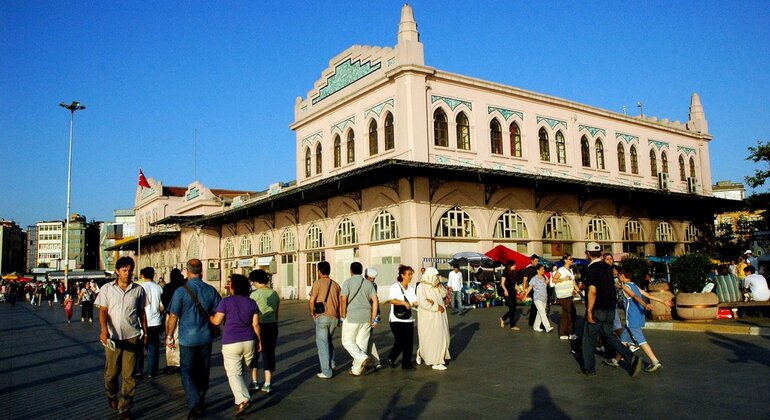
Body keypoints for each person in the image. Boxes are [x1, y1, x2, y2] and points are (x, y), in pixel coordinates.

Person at [166, 259, 222, 419]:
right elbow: (220, 312)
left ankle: (194, 402)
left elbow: (173, 316)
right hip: (205, 338)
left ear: (187, 270)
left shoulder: (181, 292)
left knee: (187, 372)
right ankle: (200, 398)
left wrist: (169, 336)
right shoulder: (210, 290)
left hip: (186, 339)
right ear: (202, 270)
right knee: (203, 371)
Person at [94, 256, 148, 419]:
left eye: (130, 270)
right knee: (111, 374)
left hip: (132, 336)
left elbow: (141, 312)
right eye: (124, 270)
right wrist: (104, 330)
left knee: (129, 375)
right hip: (113, 337)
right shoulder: (107, 289)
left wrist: (145, 332)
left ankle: (125, 407)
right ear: (117, 271)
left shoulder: (138, 290)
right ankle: (111, 394)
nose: (127, 273)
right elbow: (103, 311)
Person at [579, 242, 642, 377]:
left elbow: (592, 291)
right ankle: (631, 357)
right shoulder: (608, 267)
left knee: (588, 339)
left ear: (588, 254)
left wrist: (589, 310)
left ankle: (589, 369)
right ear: (601, 253)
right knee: (610, 336)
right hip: (610, 308)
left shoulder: (590, 269)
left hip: (597, 308)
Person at [604, 268, 673, 373]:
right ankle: (616, 360)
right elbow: (648, 295)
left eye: (619, 275)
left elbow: (635, 296)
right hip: (638, 316)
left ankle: (655, 362)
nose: (618, 277)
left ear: (623, 276)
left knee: (641, 341)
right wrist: (663, 302)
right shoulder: (634, 285)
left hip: (632, 318)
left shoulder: (626, 287)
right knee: (624, 340)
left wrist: (645, 305)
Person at [210, 274, 261, 417]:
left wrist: (209, 316)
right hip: (249, 340)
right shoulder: (252, 303)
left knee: (233, 373)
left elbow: (216, 321)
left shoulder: (226, 302)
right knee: (244, 370)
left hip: (231, 341)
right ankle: (240, 400)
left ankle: (243, 398)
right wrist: (259, 341)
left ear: (233, 287)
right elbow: (256, 324)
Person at [340, 262, 379, 376]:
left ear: (351, 271)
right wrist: (373, 316)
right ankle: (356, 370)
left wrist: (343, 313)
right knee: (361, 344)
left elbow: (343, 299)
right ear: (362, 271)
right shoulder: (369, 284)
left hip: (352, 316)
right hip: (366, 316)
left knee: (347, 341)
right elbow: (375, 300)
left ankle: (362, 357)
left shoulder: (347, 282)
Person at [249, 269, 280, 393]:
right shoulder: (274, 293)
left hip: (258, 325)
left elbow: (251, 313)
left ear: (256, 281)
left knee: (254, 354)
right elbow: (277, 312)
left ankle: (254, 382)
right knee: (269, 353)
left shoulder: (254, 295)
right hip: (272, 325)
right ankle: (267, 383)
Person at [308, 261, 341, 379]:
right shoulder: (336, 285)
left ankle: (326, 372)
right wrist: (340, 317)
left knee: (322, 345)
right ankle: (331, 363)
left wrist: (312, 312)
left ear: (319, 271)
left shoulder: (317, 283)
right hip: (334, 318)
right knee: (329, 341)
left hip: (322, 317)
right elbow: (341, 303)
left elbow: (312, 300)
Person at [416, 267, 451, 370]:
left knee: (443, 337)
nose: (436, 277)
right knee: (432, 338)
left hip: (440, 316)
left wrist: (440, 285)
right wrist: (436, 307)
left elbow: (444, 294)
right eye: (435, 276)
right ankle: (436, 362)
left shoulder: (435, 285)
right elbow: (422, 302)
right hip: (429, 317)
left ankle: (422, 353)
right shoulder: (421, 286)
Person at [134, 267, 164, 378]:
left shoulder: (138, 287)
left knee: (139, 347)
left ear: (142, 275)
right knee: (153, 347)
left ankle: (138, 370)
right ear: (153, 275)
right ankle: (152, 371)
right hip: (155, 321)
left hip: (140, 322)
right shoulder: (158, 287)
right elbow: (162, 306)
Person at [388, 265, 418, 369]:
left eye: (411, 274)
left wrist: (423, 302)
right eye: (409, 274)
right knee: (400, 341)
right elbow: (391, 300)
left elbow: (415, 301)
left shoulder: (411, 288)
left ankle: (407, 363)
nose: (411, 276)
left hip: (408, 319)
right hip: (396, 319)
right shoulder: (395, 286)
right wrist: (403, 303)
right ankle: (392, 357)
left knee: (409, 342)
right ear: (402, 275)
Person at [162, 268, 185, 374]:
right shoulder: (184, 286)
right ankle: (180, 362)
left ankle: (171, 363)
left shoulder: (167, 287)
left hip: (170, 315)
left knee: (170, 338)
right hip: (183, 315)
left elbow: (164, 301)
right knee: (180, 339)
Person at [553, 254, 579, 340]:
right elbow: (554, 280)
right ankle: (570, 332)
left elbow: (573, 281)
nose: (572, 260)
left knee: (565, 314)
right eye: (570, 259)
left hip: (569, 294)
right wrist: (564, 279)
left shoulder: (570, 270)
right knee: (571, 313)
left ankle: (563, 332)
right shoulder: (561, 270)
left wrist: (577, 289)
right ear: (565, 260)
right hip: (563, 295)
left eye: (572, 259)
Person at [523, 264, 554, 333]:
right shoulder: (534, 279)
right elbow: (530, 287)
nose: (543, 271)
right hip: (537, 298)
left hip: (544, 298)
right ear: (538, 270)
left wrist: (547, 282)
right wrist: (525, 295)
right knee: (543, 313)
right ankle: (548, 327)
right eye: (542, 269)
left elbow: (546, 284)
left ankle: (536, 326)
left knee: (539, 313)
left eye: (544, 269)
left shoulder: (544, 277)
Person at [363, 267, 383, 369]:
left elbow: (375, 301)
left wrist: (376, 317)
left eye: (373, 279)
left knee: (365, 339)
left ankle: (364, 361)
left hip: (367, 315)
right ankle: (375, 361)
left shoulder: (370, 285)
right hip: (369, 314)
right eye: (371, 278)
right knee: (368, 339)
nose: (373, 281)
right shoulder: (373, 285)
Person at [499, 261, 520, 330]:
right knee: (511, 308)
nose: (515, 266)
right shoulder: (505, 273)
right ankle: (512, 325)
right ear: (510, 266)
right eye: (514, 265)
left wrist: (519, 289)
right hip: (507, 292)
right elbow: (502, 283)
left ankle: (503, 318)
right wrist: (505, 290)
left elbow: (515, 285)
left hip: (513, 292)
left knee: (513, 308)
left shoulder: (514, 273)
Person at [520, 254, 540, 327]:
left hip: (539, 289)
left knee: (536, 305)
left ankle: (533, 321)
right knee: (536, 305)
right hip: (532, 289)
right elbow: (525, 280)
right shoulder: (527, 269)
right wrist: (524, 290)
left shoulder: (539, 268)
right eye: (535, 261)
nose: (537, 262)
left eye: (537, 261)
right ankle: (533, 321)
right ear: (531, 261)